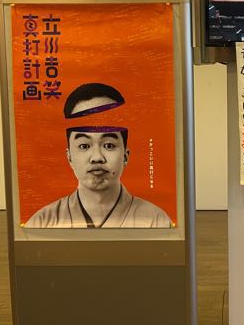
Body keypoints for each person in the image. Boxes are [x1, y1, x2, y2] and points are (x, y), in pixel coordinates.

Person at [26, 82, 172, 228]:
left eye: (109, 145)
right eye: (84, 146)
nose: (97, 157)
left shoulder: (156, 221)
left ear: (125, 155)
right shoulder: (42, 222)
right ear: (69, 156)